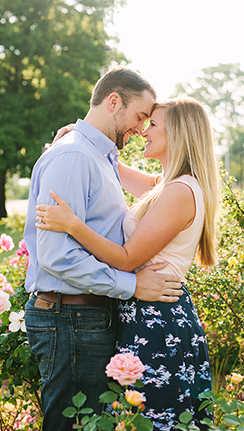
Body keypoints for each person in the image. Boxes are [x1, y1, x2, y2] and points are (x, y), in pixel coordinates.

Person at [35, 97, 221, 430]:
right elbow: (109, 166)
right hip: (146, 310)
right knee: (138, 418)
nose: (143, 132)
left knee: (154, 419)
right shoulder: (164, 186)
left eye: (152, 125)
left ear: (178, 133)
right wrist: (74, 140)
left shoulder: (179, 192)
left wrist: (73, 224)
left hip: (158, 318)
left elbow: (126, 258)